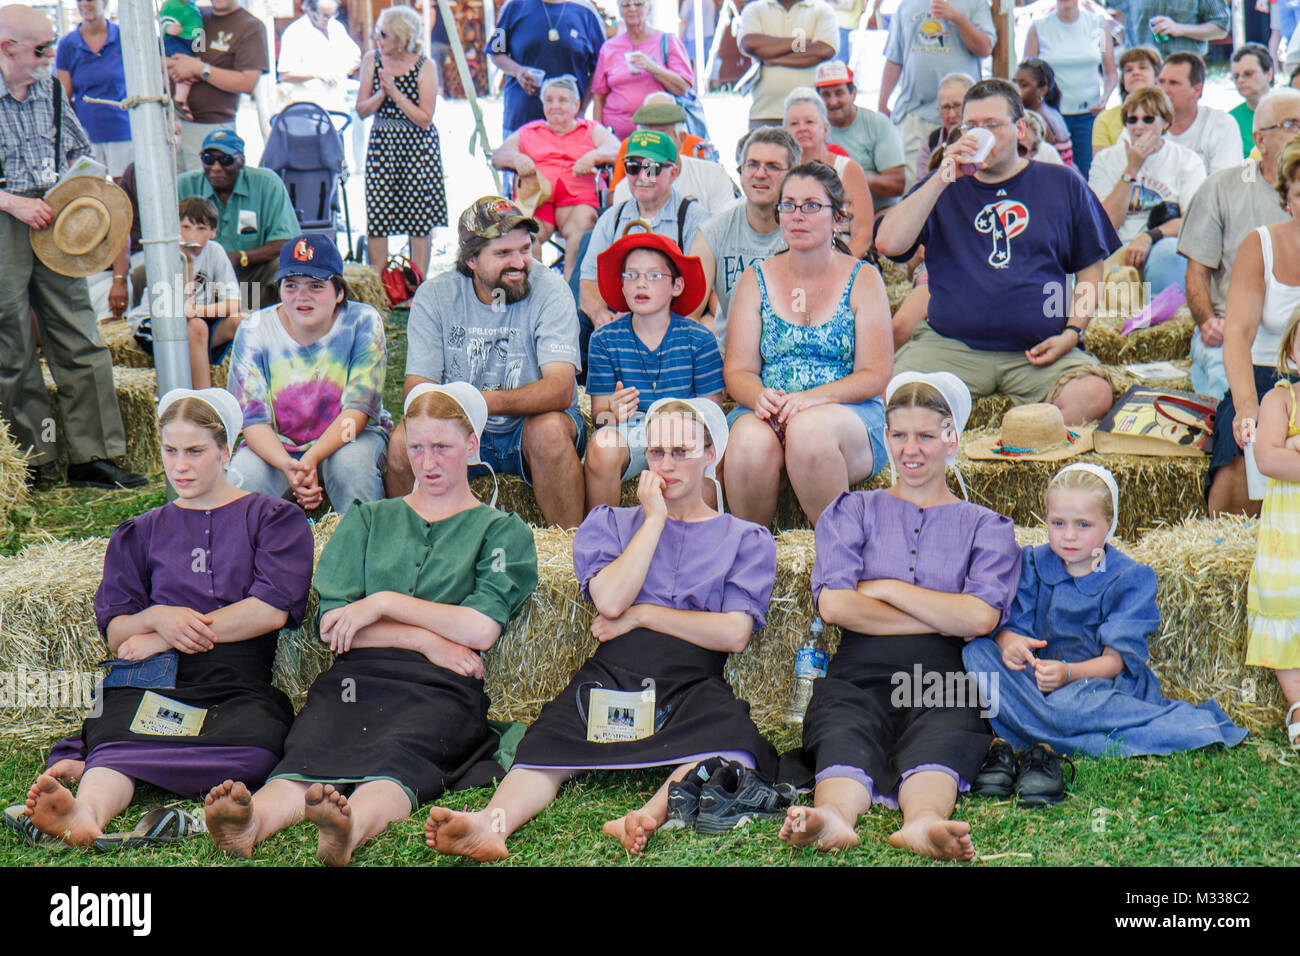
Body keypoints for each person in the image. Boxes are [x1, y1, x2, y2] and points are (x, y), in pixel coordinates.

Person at [426, 399, 779, 861]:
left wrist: (642, 615)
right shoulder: (613, 522)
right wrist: (653, 520)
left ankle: (647, 816)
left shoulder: (745, 538)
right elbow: (610, 600)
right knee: (547, 742)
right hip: (616, 670)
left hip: (693, 678)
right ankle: (492, 823)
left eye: (681, 451)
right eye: (656, 452)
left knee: (735, 745)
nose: (666, 465)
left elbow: (734, 634)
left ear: (712, 454)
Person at [205, 383, 538, 865]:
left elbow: (481, 628)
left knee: (401, 756)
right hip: (356, 677)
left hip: (441, 686)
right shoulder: (367, 519)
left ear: (472, 445)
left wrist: (380, 602)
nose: (427, 463)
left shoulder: (501, 530)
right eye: (416, 447)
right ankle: (253, 820)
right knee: (309, 751)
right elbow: (334, 625)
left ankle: (351, 826)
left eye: (442, 447)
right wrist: (426, 640)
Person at [20, 388, 314, 847]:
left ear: (226, 448)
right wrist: (156, 616)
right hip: (153, 678)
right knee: (114, 740)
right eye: (170, 451)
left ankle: (192, 808)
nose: (179, 466)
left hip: (233, 682)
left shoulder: (273, 518)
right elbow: (118, 631)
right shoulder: (140, 532)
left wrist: (166, 635)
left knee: (258, 744)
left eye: (195, 451)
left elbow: (271, 608)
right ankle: (87, 813)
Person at [778, 373, 1020, 858]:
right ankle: (833, 818)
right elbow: (836, 605)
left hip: (942, 672)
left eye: (926, 436)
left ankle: (925, 821)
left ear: (952, 439)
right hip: (858, 669)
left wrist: (888, 588)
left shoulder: (986, 527)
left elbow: (980, 619)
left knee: (947, 726)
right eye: (900, 435)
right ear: (885, 438)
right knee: (845, 725)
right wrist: (944, 612)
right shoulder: (852, 510)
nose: (912, 449)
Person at [876, 78, 1120, 426]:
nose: (979, 134)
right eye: (970, 126)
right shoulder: (943, 184)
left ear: (1020, 129)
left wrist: (1072, 333)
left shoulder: (1062, 182)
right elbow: (888, 244)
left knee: (1094, 393)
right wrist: (944, 175)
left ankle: (1018, 443)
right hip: (951, 345)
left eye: (991, 125)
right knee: (892, 394)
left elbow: (1090, 271)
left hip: (1035, 351)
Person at [962, 463, 1248, 759]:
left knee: (1067, 708)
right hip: (1035, 680)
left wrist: (1068, 673)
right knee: (976, 653)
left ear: (1109, 524)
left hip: (1093, 684)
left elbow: (1115, 662)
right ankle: (1051, 724)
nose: (1069, 535)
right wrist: (1010, 644)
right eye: (1058, 523)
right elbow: (1011, 628)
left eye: (1083, 524)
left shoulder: (1128, 578)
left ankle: (1035, 727)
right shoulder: (1033, 563)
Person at [0, 4, 145, 491]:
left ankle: (94, 455)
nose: (50, 56)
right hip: (6, 221)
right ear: (8, 48)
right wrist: (14, 204)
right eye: (41, 49)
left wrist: (88, 185)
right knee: (13, 343)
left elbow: (78, 152)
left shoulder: (51, 92)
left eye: (50, 46)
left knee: (79, 333)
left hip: (57, 219)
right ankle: (33, 457)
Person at [394, 197, 586, 528]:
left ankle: (570, 556)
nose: (520, 262)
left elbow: (560, 390)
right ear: (471, 261)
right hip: (459, 425)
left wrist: (475, 403)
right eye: (503, 254)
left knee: (550, 432)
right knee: (400, 445)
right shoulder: (435, 296)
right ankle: (412, 548)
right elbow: (417, 389)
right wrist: (462, 416)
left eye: (525, 249)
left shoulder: (551, 289)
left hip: (526, 425)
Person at [723, 161, 893, 528]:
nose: (798, 215)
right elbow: (738, 370)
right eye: (789, 205)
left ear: (837, 219)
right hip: (771, 408)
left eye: (812, 206)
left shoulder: (864, 278)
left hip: (847, 414)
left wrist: (813, 399)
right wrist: (758, 397)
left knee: (808, 432)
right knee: (748, 443)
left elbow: (875, 374)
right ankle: (752, 557)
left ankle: (839, 557)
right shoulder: (756, 279)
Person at [227, 234, 392, 515]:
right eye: (291, 285)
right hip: (278, 443)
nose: (302, 296)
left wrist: (312, 457)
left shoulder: (363, 322)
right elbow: (253, 421)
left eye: (316, 286)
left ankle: (365, 550)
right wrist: (287, 464)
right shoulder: (254, 329)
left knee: (351, 467)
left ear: (339, 292)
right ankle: (243, 556)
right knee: (241, 479)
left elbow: (358, 410)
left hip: (350, 437)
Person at [585, 231, 724, 510]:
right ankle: (603, 535)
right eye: (631, 276)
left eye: (654, 276)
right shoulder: (603, 340)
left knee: (707, 468)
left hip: (684, 434)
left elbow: (712, 415)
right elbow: (600, 419)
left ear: (677, 285)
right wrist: (611, 411)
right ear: (622, 286)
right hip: (632, 430)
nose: (641, 283)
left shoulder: (700, 339)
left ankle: (696, 539)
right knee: (602, 446)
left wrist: (677, 441)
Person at [1181, 88, 1300, 400]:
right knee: (1229, 391)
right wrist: (1208, 322)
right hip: (1236, 330)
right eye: (1291, 124)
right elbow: (1196, 272)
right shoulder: (1222, 188)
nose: (1299, 132)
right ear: (1259, 140)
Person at [1210, 138, 1300, 518]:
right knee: (1234, 483)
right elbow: (1237, 335)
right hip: (1265, 377)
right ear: (1287, 198)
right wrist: (1247, 404)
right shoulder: (1260, 244)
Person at [579, 131, 709, 343]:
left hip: (673, 321)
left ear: (674, 173)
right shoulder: (612, 218)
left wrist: (642, 320)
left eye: (651, 169)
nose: (641, 177)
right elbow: (588, 279)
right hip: (617, 315)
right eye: (632, 168)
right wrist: (600, 315)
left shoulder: (695, 220)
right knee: (576, 326)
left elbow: (698, 293)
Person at [492, 74, 620, 281]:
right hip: (537, 197)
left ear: (576, 104)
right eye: (549, 100)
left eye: (562, 100)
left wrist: (594, 156)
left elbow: (618, 150)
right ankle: (536, 294)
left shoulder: (590, 130)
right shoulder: (529, 131)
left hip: (577, 200)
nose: (555, 106)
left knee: (581, 230)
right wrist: (516, 158)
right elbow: (498, 156)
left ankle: (572, 293)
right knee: (525, 236)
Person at [689, 126, 799, 355]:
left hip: (795, 358)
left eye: (773, 167)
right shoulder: (713, 232)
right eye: (752, 164)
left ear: (794, 175)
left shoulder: (809, 230)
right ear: (740, 171)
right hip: (729, 358)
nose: (760, 173)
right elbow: (689, 314)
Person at [356, 4, 447, 281]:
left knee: (419, 221)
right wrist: (382, 95)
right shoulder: (372, 59)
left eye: (383, 35)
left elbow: (424, 118)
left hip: (417, 147)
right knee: (378, 218)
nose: (377, 39)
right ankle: (380, 286)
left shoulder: (425, 65)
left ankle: (415, 286)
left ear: (401, 38)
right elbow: (361, 109)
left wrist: (395, 93)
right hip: (383, 145)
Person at [1088, 87, 1205, 298]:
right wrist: (1131, 168)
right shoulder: (1105, 160)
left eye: (1148, 119)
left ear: (1166, 123)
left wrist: (1149, 237)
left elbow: (1193, 221)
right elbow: (1105, 224)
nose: (1139, 127)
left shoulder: (1187, 161)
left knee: (1169, 253)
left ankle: (1163, 319)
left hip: (1162, 243)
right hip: (1117, 243)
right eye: (1132, 120)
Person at [1246, 310, 1300, 746]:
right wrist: (1284, 447)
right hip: (1290, 532)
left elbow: (1285, 455)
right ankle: (1297, 702)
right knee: (1285, 602)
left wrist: (1293, 447)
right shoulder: (1279, 401)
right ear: (1291, 351)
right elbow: (1268, 458)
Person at [176, 129, 301, 312]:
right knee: (141, 273)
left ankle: (281, 321)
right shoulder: (184, 184)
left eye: (226, 160)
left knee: (285, 266)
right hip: (197, 275)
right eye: (208, 159)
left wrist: (240, 258)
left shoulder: (266, 183)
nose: (216, 167)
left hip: (250, 275)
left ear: (241, 160)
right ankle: (147, 326)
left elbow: (288, 242)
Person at [129, 195, 244, 390]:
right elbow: (178, 309)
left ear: (213, 232)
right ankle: (203, 400)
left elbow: (234, 303)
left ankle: (247, 392)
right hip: (156, 322)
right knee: (197, 326)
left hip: (195, 318)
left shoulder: (215, 251)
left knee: (241, 321)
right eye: (185, 227)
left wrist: (198, 311)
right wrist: (189, 265)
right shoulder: (167, 254)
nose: (191, 236)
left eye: (201, 229)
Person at [879, 0, 995, 189]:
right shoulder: (906, 5)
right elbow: (894, 58)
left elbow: (985, 48)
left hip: (962, 119)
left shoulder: (975, 3)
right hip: (916, 115)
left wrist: (958, 19)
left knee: (964, 182)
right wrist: (882, 101)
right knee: (916, 187)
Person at [164, 0, 269, 172]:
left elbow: (247, 82)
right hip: (171, 123)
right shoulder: (193, 15)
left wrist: (200, 69)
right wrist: (174, 64)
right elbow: (157, 52)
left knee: (205, 195)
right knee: (171, 192)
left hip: (212, 129)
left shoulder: (251, 26)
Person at [1022, 0, 1117, 180]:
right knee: (1049, 175)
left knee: (1088, 174)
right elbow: (1026, 76)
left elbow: (1110, 71)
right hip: (1050, 117)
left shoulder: (1099, 25)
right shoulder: (1038, 28)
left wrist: (1105, 97)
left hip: (1087, 115)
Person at [488, 0, 607, 139]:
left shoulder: (586, 11)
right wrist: (518, 71)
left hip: (570, 125)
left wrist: (582, 108)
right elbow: (496, 52)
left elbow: (600, 67)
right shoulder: (514, 6)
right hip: (521, 122)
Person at [783, 87, 873, 256]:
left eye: (809, 122)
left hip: (843, 257)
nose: (802, 128)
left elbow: (863, 235)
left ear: (824, 129)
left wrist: (837, 271)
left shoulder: (848, 170)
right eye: (794, 124)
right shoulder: (781, 172)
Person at [608, 96, 735, 215]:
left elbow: (724, 230)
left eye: (663, 138)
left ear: (682, 139)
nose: (655, 146)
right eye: (649, 138)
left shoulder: (712, 175)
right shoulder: (628, 188)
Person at [591, 0, 694, 140]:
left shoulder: (668, 42)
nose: (632, 9)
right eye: (626, 5)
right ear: (620, 10)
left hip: (659, 133)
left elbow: (683, 88)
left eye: (638, 4)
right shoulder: (609, 48)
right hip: (618, 138)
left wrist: (654, 68)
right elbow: (599, 97)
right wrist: (599, 134)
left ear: (649, 8)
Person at [814, 61, 906, 214]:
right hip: (828, 215)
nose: (833, 102)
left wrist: (852, 175)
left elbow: (897, 184)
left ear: (853, 93)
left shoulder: (877, 123)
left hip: (876, 212)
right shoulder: (812, 128)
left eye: (839, 93)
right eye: (826, 95)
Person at [55, 0, 129, 176]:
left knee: (125, 192)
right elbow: (63, 97)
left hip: (123, 131)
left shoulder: (123, 37)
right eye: (80, 0)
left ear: (104, 2)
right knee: (90, 192)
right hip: (86, 135)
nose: (85, 4)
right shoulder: (67, 44)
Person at [737, 0, 838, 129]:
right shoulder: (754, 9)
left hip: (810, 116)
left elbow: (824, 51)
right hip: (765, 113)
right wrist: (801, 43)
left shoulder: (822, 10)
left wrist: (773, 59)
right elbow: (749, 44)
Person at [1158, 52, 1241, 176]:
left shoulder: (1221, 125)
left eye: (1173, 83)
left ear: (1197, 90)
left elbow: (1224, 185)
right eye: (1161, 82)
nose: (1164, 89)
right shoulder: (1141, 122)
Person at [276, 0, 362, 115]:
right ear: (310, 10)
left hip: (338, 103)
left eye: (333, 15)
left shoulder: (336, 27)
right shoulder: (294, 32)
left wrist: (347, 67)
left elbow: (355, 56)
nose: (328, 19)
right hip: (309, 107)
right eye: (324, 16)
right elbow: (285, 75)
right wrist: (318, 74)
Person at [1092, 46, 1162, 155]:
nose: (1135, 72)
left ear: (1157, 78)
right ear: (1123, 82)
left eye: (1142, 67)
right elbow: (1099, 164)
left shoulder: (1168, 113)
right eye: (1129, 70)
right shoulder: (1104, 119)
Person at [1013, 58, 1074, 167]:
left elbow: (1041, 160)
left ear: (1042, 90)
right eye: (1014, 82)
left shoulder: (1037, 120)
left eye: (1023, 85)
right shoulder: (1051, 111)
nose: (1015, 89)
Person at [914, 72, 973, 182]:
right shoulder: (931, 143)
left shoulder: (986, 140)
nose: (951, 114)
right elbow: (921, 187)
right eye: (945, 107)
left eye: (957, 106)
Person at [1123, 0, 1228, 55]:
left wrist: (1179, 29)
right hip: (1141, 70)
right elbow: (1113, 16)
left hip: (1183, 70)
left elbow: (1221, 26)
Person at [1229, 43, 1275, 160]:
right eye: (1236, 76)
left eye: (1248, 74)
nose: (1240, 80)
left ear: (1269, 74)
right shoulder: (1230, 120)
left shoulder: (1292, 111)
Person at [159, 0, 202, 119]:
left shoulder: (193, 6)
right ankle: (179, 101)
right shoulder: (170, 4)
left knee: (184, 70)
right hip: (175, 41)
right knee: (182, 71)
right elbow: (163, 20)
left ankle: (175, 100)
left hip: (189, 41)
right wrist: (168, 28)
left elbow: (197, 28)